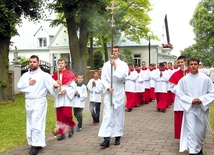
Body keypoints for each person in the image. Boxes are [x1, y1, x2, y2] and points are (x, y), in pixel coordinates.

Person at [17, 55, 58, 155]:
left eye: (34, 62)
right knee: (30, 123)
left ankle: (35, 146)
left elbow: (52, 84)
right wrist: (28, 83)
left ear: (38, 62)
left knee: (36, 122)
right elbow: (19, 86)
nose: (32, 63)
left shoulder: (44, 75)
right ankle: (35, 142)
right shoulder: (25, 76)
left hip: (39, 101)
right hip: (29, 101)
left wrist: (55, 85)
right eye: (30, 62)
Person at [176, 57, 214, 155]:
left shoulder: (205, 79)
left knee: (200, 131)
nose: (193, 66)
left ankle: (199, 148)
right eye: (191, 64)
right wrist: (190, 100)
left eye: (195, 64)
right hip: (190, 109)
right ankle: (193, 152)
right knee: (191, 131)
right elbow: (180, 94)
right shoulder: (184, 80)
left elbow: (212, 92)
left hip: (202, 109)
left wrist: (201, 100)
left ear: (198, 65)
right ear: (188, 66)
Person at [98, 45, 129, 148]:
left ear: (119, 52)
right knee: (107, 115)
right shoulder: (106, 65)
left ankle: (117, 135)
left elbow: (124, 76)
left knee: (118, 115)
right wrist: (107, 87)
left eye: (116, 51)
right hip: (109, 92)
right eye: (113, 51)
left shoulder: (123, 64)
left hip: (118, 90)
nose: (114, 53)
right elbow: (103, 78)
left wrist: (115, 66)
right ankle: (106, 138)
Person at [52, 58, 76, 141]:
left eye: (62, 63)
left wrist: (66, 90)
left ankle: (70, 125)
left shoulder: (70, 74)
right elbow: (52, 85)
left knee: (67, 114)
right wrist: (55, 84)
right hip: (59, 97)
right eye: (59, 63)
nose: (60, 64)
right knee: (60, 116)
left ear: (65, 64)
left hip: (66, 97)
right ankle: (62, 133)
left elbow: (73, 87)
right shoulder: (55, 74)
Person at [168, 55, 189, 140]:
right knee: (179, 119)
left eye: (182, 62)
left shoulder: (191, 72)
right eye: (179, 62)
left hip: (189, 100)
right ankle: (181, 138)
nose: (180, 64)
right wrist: (180, 88)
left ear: (186, 62)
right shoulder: (175, 74)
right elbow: (172, 87)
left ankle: (189, 138)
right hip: (179, 100)